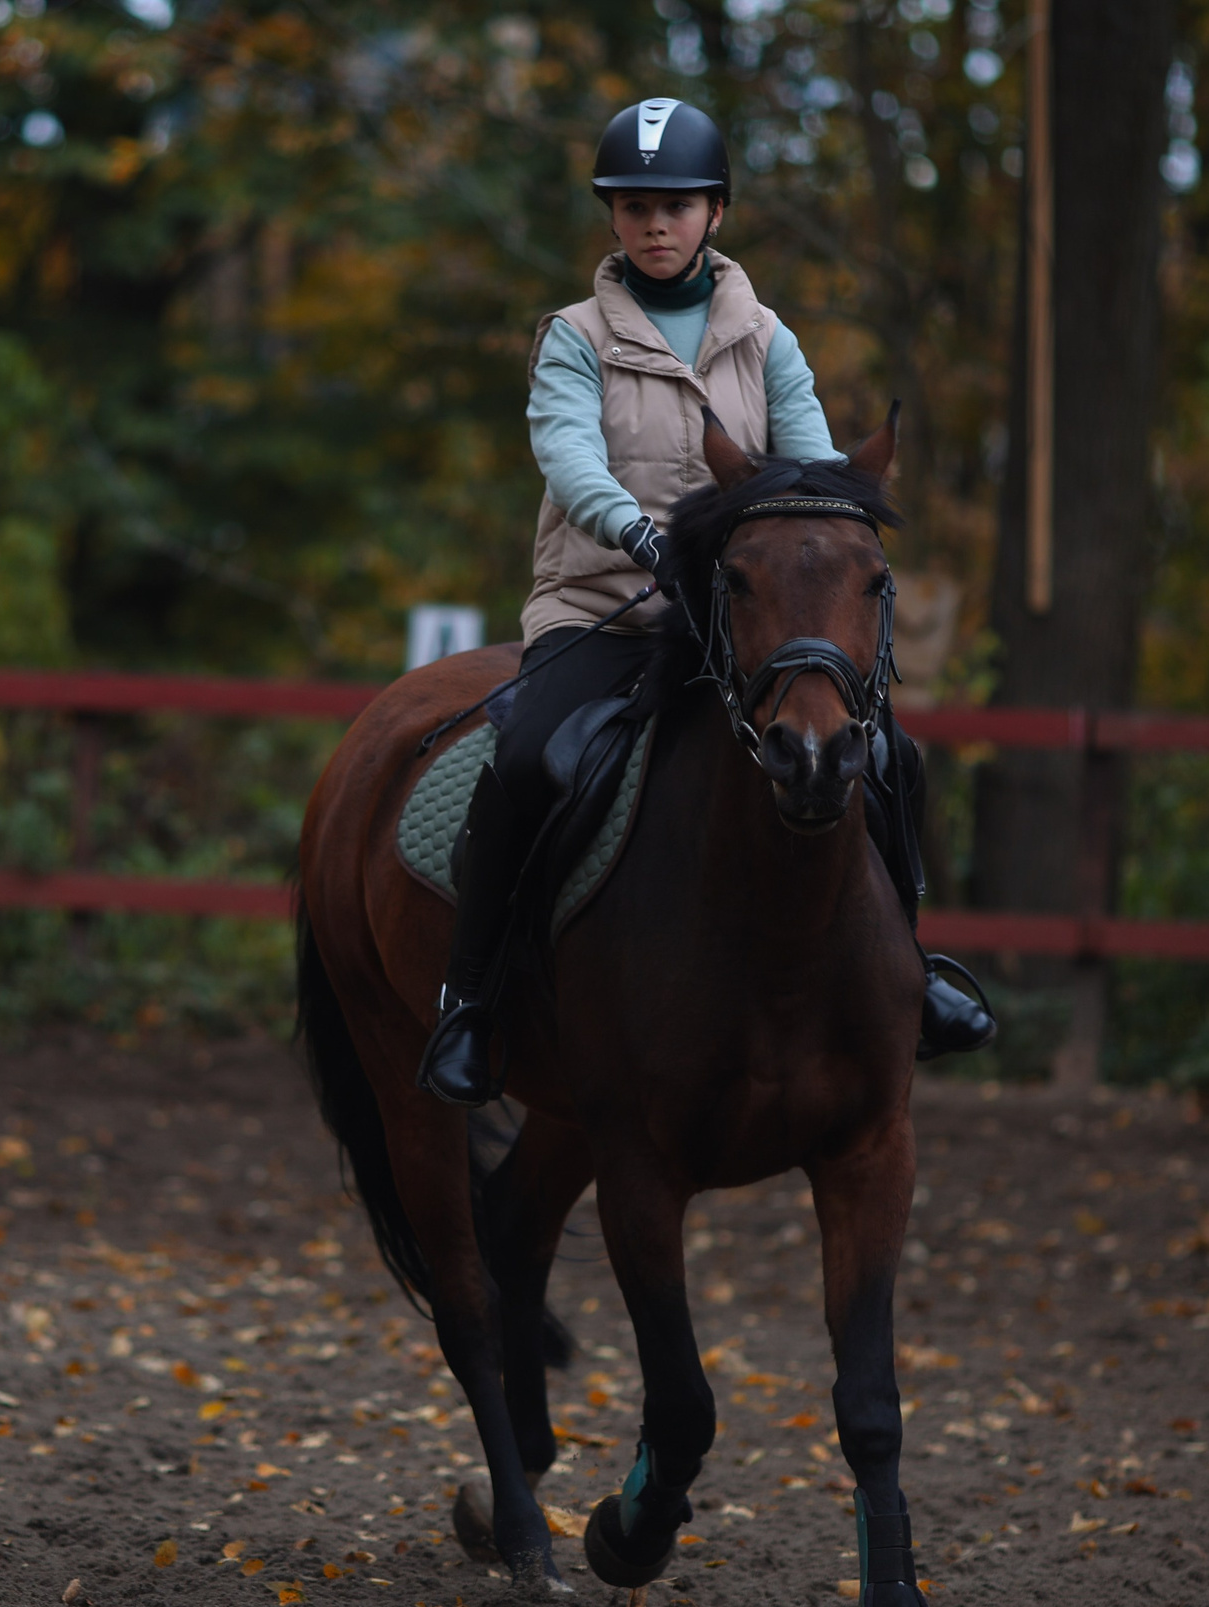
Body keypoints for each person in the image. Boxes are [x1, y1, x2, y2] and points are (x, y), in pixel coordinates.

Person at [418, 97, 995, 1107]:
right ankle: (468, 1001)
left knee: (886, 753)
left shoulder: (766, 337)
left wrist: (817, 525)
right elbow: (564, 451)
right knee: (523, 756)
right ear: (612, 219)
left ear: (714, 214)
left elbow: (807, 465)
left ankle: (913, 970)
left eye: (674, 207)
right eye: (633, 206)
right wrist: (636, 530)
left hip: (741, 619)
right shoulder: (573, 337)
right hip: (599, 604)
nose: (654, 224)